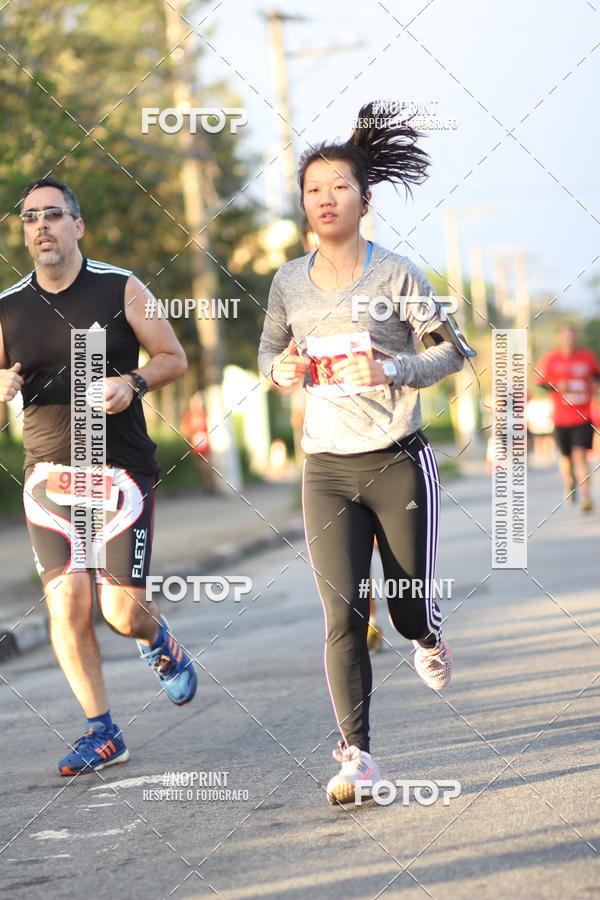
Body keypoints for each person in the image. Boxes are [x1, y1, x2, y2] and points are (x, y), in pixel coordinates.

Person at [258, 102, 475, 805]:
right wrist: (279, 371)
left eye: (339, 187)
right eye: (313, 189)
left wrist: (393, 371)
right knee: (344, 614)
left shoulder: (397, 275)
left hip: (397, 459)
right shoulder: (288, 281)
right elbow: (269, 352)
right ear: (303, 203)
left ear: (364, 199)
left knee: (406, 610)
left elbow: (454, 351)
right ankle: (357, 757)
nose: (325, 198)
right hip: (325, 469)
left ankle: (428, 636)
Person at [0, 177, 197, 776]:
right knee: (67, 606)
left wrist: (132, 382)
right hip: (50, 480)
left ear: (77, 226)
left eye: (53, 215)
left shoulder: (123, 287)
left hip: (120, 476)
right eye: (30, 217)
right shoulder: (6, 308)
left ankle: (157, 638)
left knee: (121, 613)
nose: (41, 226)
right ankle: (102, 732)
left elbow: (174, 357)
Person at [534, 323, 600, 512]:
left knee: (580, 456)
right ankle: (570, 483)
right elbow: (539, 382)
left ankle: (586, 495)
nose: (569, 340)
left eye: (572, 336)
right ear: (560, 339)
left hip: (583, 416)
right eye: (565, 337)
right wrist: (555, 386)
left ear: (577, 338)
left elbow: (597, 376)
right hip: (560, 418)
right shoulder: (551, 359)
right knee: (566, 458)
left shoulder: (587, 357)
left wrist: (595, 385)